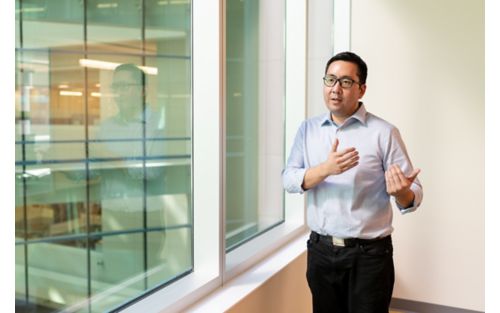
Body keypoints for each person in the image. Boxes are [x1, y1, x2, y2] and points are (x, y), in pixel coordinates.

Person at [282, 51, 423, 313]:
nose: (336, 89)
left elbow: (413, 192)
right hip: (321, 251)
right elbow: (289, 180)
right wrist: (325, 169)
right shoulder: (308, 129)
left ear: (362, 89)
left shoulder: (384, 132)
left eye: (346, 82)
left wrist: (402, 193)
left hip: (369, 256)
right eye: (330, 80)